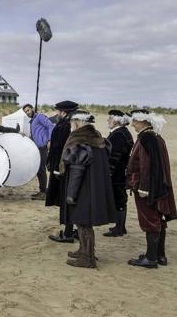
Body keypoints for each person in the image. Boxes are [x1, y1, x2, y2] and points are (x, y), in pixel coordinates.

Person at [60, 110, 116, 268]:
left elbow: (77, 170)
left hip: (83, 188)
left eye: (72, 122)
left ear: (77, 123)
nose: (71, 125)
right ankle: (83, 250)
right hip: (93, 186)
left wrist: (71, 194)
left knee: (83, 222)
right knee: (83, 222)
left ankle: (87, 257)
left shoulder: (81, 141)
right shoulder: (96, 138)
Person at [126, 109, 177, 268]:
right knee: (158, 219)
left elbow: (147, 166)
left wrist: (144, 188)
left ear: (143, 121)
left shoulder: (147, 138)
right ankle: (159, 255)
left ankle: (150, 258)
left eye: (135, 121)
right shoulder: (154, 137)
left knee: (150, 220)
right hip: (158, 186)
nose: (132, 124)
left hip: (148, 188)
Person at [46, 100, 79, 243]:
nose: (57, 114)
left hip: (63, 168)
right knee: (68, 199)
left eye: (58, 111)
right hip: (65, 167)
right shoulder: (67, 124)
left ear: (64, 112)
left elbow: (60, 148)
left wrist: (55, 167)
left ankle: (68, 233)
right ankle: (71, 230)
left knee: (66, 199)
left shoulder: (65, 126)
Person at [103, 110, 134, 237]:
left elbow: (115, 156)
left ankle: (120, 228)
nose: (108, 120)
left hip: (118, 174)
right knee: (119, 199)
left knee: (119, 200)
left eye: (109, 118)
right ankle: (119, 226)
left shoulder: (119, 134)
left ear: (116, 120)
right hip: (119, 172)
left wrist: (108, 172)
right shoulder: (121, 132)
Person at [23, 104, 55, 200]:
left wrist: (49, 140)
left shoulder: (40, 117)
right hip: (37, 148)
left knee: (41, 169)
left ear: (32, 109)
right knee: (39, 169)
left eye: (28, 110)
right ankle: (42, 190)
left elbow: (51, 126)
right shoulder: (32, 121)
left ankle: (43, 193)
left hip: (43, 147)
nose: (27, 113)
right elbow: (35, 135)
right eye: (25, 112)